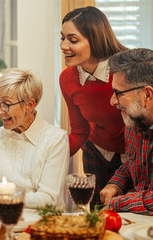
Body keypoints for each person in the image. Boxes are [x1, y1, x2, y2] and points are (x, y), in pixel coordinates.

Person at [0, 68, 70, 211]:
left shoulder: (56, 140)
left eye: (6, 104)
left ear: (29, 105)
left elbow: (49, 200)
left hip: (37, 228)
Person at [59, 6, 128, 207]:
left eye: (73, 40)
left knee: (129, 216)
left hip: (132, 153)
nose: (63, 45)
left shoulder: (128, 69)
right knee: (98, 215)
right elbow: (80, 132)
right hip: (95, 152)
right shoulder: (67, 79)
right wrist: (49, 159)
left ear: (96, 39)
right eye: (62, 38)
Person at [100, 48, 153, 217]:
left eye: (118, 93)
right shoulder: (135, 117)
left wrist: (118, 202)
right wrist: (117, 183)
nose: (112, 101)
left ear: (147, 95)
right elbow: (134, 163)